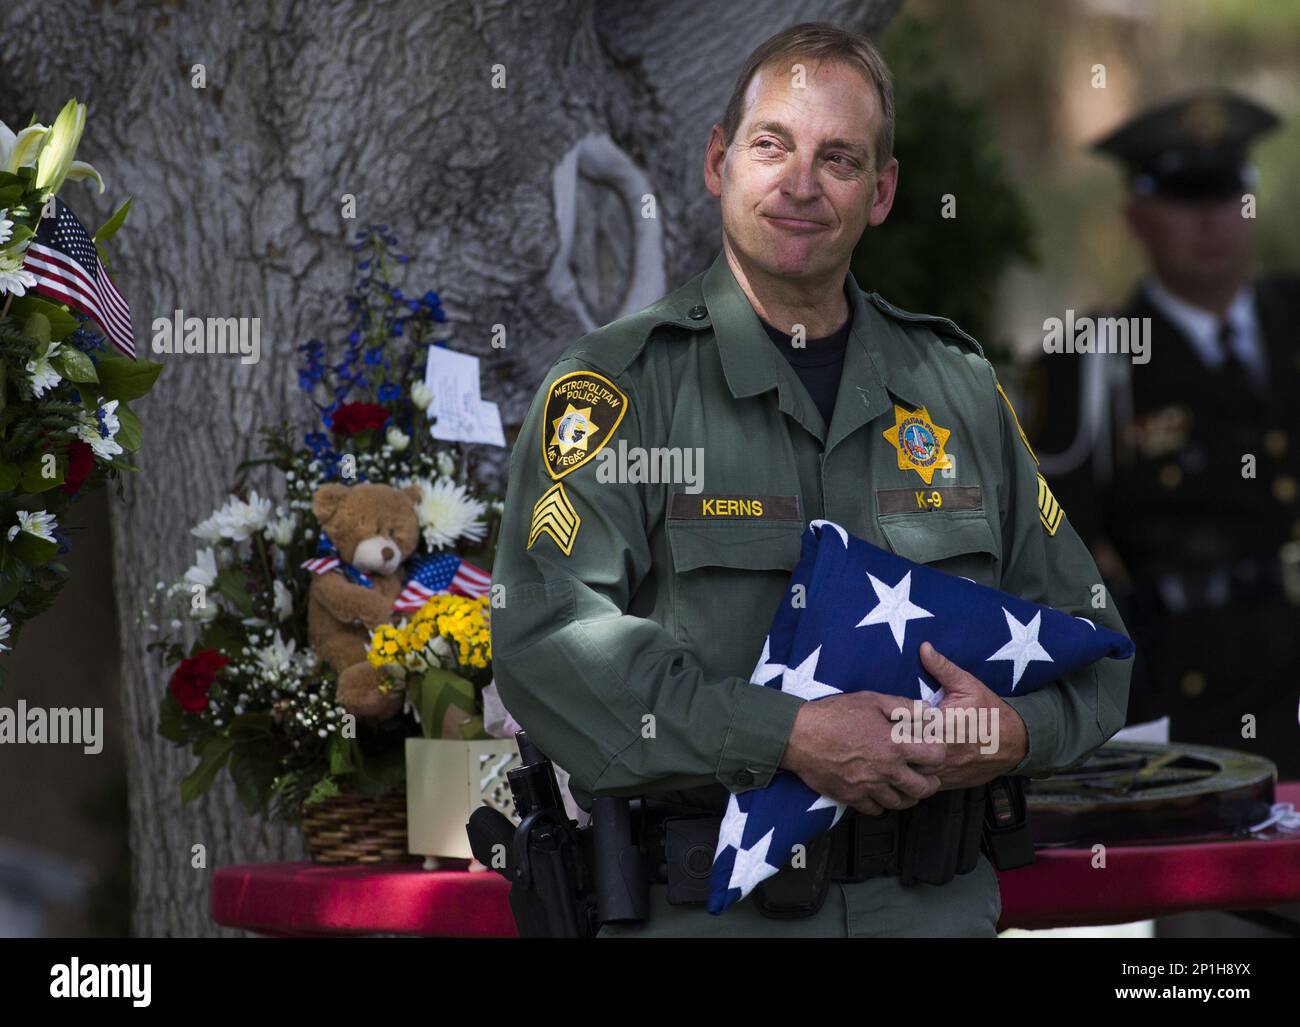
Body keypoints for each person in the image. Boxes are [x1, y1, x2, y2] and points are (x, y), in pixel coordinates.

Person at [491, 21, 1130, 938]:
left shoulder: (956, 391)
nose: (800, 184)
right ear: (718, 162)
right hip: (710, 914)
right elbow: (547, 645)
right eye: (771, 146)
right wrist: (785, 734)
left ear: (882, 193)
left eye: (839, 158)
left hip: (933, 909)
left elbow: (1096, 647)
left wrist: (1009, 735)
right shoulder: (615, 392)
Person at [1029, 90, 1300, 782]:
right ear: (1137, 217)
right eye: (1186, 198)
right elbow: (1058, 550)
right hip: (1188, 702)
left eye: (1226, 193)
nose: (1212, 220)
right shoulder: (1093, 360)